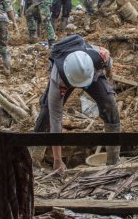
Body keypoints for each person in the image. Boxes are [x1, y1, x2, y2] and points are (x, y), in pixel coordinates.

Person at [34, 34, 121, 173]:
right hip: (67, 78)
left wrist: (109, 81)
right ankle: (34, 161)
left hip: (92, 76)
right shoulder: (58, 79)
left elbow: (109, 65)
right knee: (46, 114)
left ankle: (114, 160)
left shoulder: (100, 56)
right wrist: (57, 160)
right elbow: (56, 121)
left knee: (109, 104)